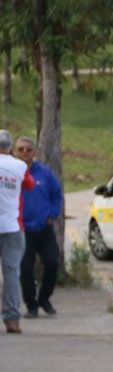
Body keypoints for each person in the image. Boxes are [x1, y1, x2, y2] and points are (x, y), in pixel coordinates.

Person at [16, 136, 63, 318]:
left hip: (44, 228)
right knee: (26, 269)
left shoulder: (45, 173)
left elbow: (57, 195)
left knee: (52, 262)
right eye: (21, 149)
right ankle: (31, 305)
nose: (24, 153)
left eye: (28, 149)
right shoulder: (12, 173)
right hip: (23, 230)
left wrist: (52, 215)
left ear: (34, 153)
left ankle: (44, 298)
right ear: (15, 152)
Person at [0, 130, 35, 334]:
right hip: (12, 227)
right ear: (11, 148)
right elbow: (29, 185)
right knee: (12, 273)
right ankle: (12, 319)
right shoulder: (20, 166)